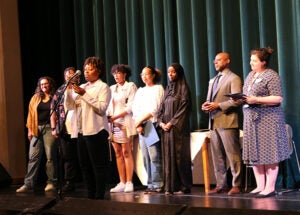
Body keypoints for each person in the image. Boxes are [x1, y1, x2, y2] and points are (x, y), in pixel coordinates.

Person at [242, 47, 290, 198]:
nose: (251, 63)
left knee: (269, 152)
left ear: (263, 62)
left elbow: (278, 98)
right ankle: (260, 185)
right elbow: (247, 94)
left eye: (254, 61)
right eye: (251, 60)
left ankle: (270, 187)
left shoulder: (271, 75)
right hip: (251, 119)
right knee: (255, 152)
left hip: (268, 119)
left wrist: (257, 99)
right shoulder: (251, 75)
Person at [64, 56, 111, 199]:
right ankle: (90, 195)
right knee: (84, 165)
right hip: (81, 131)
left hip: (96, 131)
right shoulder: (82, 87)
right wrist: (68, 90)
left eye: (90, 69)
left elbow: (101, 108)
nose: (86, 72)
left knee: (97, 166)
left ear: (99, 71)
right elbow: (70, 106)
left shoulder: (103, 87)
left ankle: (99, 195)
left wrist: (84, 95)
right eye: (85, 69)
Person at [201, 52, 243, 195]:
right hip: (213, 122)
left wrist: (218, 105)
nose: (216, 63)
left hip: (228, 121)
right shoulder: (212, 80)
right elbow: (210, 99)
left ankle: (236, 184)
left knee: (233, 155)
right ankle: (221, 184)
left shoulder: (234, 78)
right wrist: (206, 105)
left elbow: (238, 100)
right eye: (215, 61)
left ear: (227, 61)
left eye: (219, 60)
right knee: (217, 156)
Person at [17, 76, 58, 193]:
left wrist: (56, 129)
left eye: (46, 84)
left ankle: (51, 182)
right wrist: (29, 130)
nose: (44, 86)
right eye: (41, 84)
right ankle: (28, 183)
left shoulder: (54, 97)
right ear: (39, 86)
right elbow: (30, 115)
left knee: (50, 157)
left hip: (49, 129)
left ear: (50, 84)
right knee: (33, 157)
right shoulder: (35, 98)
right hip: (36, 129)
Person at [157, 63, 193, 195]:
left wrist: (172, 122)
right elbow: (161, 108)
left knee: (179, 157)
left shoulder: (183, 88)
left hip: (178, 130)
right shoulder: (167, 89)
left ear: (178, 73)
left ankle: (183, 186)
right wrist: (161, 122)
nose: (170, 74)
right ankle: (170, 186)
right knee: (168, 157)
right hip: (166, 129)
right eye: (168, 72)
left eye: (173, 72)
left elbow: (184, 108)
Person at [132, 66, 164, 194]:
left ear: (153, 75)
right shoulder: (140, 91)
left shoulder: (158, 89)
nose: (144, 77)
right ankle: (150, 184)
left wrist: (140, 121)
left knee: (154, 156)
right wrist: (138, 124)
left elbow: (154, 108)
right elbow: (135, 108)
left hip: (151, 124)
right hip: (141, 126)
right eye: (142, 74)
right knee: (145, 157)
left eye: (147, 74)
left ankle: (158, 184)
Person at [107, 64, 137, 193]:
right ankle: (122, 181)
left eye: (118, 73)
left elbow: (130, 107)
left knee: (126, 152)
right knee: (117, 153)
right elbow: (108, 106)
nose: (116, 75)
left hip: (124, 122)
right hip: (112, 124)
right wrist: (109, 118)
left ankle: (130, 181)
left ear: (125, 74)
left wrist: (114, 117)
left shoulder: (130, 86)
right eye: (114, 73)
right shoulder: (111, 88)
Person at [51, 67, 80, 193]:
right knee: (67, 156)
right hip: (65, 128)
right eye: (68, 76)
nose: (70, 77)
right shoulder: (60, 91)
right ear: (65, 77)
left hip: (80, 128)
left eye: (73, 75)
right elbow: (53, 110)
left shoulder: (82, 89)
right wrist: (54, 127)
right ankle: (69, 182)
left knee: (83, 155)